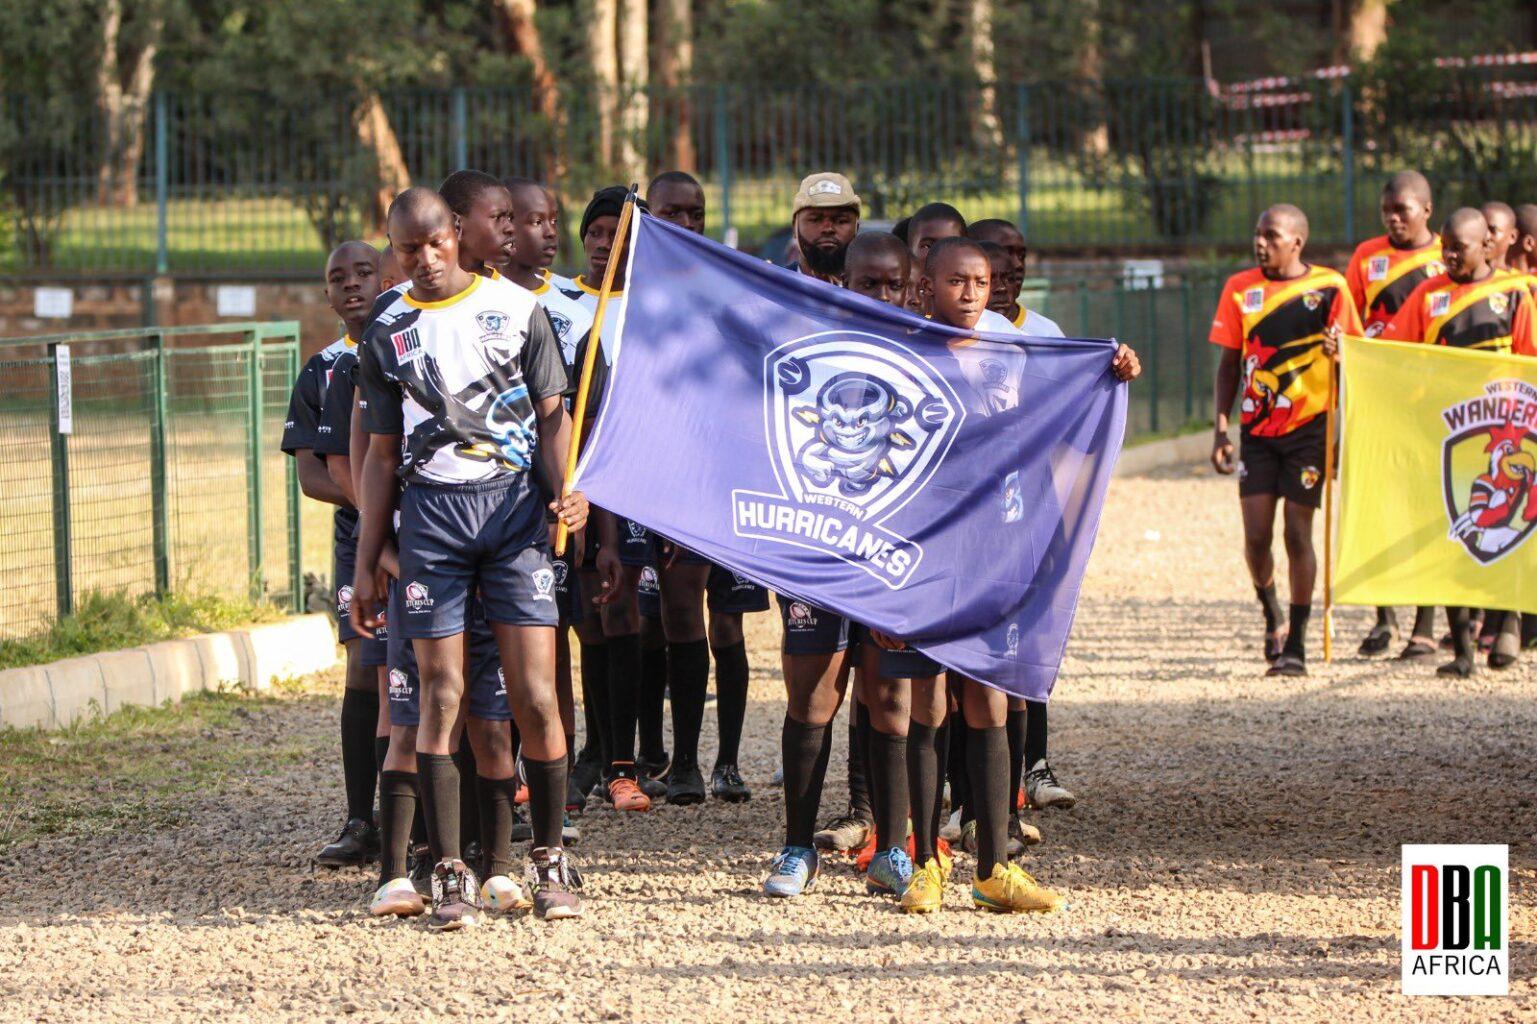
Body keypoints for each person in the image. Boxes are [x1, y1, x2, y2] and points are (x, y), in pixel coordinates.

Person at [352, 187, 589, 926]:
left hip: (514, 513)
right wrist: (367, 559)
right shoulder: (386, 327)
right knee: (440, 695)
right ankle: (448, 872)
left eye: (433, 244)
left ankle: (548, 862)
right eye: (405, 248)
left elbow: (554, 416)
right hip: (433, 522)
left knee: (535, 696)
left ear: (456, 236)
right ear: (392, 247)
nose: (421, 260)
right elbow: (381, 454)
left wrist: (568, 491)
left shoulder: (518, 310)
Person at [763, 231, 911, 900]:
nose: (879, 295)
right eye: (867, 284)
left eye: (891, 285)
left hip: (890, 560)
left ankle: (893, 849)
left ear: (908, 288)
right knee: (814, 699)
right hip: (816, 554)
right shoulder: (809, 352)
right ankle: (796, 848)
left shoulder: (922, 356)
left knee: (887, 699)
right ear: (842, 285)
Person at [641, 171, 769, 803]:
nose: (687, 224)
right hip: (673, 484)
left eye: (696, 212)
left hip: (731, 482)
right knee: (679, 617)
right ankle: (684, 762)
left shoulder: (732, 284)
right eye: (673, 212)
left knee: (729, 626)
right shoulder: (634, 291)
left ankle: (729, 763)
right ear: (649, 214)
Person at [1379, 207, 1536, 676]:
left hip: (1506, 434)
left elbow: (1531, 362)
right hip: (1447, 437)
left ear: (1487, 246)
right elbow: (1392, 351)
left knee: (1511, 528)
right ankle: (1463, 651)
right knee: (1453, 532)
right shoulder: (1429, 296)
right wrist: (1346, 349)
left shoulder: (1513, 294)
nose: (1447, 255)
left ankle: (1508, 622)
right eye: (1443, 246)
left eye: (1457, 248)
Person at [1210, 204, 1362, 678]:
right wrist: (1220, 426)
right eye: (1257, 234)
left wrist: (1343, 354)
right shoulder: (1239, 289)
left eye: (1271, 236)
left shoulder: (1331, 288)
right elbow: (1230, 364)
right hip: (1257, 432)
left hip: (1310, 431)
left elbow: (1358, 359)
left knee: (1298, 533)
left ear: (1296, 242)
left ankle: (1296, 642)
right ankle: (1271, 613)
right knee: (1256, 536)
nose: (1260, 243)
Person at [281, 239, 384, 868]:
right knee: (364, 667)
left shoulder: (410, 348)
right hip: (360, 542)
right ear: (327, 293)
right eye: (337, 278)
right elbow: (314, 474)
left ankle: (441, 815)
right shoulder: (321, 370)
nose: (351, 285)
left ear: (387, 275)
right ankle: (360, 818)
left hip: (429, 532)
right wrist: (376, 515)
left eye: (364, 272)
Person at [1344, 171, 1444, 656]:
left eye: (1402, 209)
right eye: (1387, 210)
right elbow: (1350, 321)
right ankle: (1384, 618)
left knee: (1425, 504)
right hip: (1377, 398)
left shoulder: (1447, 255)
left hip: (1428, 402)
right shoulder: (1367, 256)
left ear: (1427, 209)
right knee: (1378, 503)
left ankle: (1426, 621)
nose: (1393, 218)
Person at [789, 171, 860, 283]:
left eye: (841, 221)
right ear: (794, 227)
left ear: (857, 228)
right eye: (815, 220)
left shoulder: (873, 293)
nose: (827, 229)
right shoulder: (770, 291)